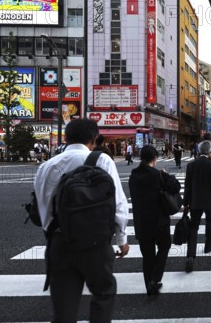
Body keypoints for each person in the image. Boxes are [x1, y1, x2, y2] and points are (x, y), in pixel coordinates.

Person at [33, 118, 130, 322]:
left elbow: (42, 207)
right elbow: (119, 203)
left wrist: (53, 235)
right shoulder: (102, 161)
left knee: (63, 310)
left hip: (59, 243)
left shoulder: (46, 167)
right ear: (94, 139)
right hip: (95, 242)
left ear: (66, 138)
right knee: (103, 293)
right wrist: (122, 238)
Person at [129, 145, 179, 297]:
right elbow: (175, 187)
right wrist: (167, 175)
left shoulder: (133, 175)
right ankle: (154, 279)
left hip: (141, 221)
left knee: (148, 255)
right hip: (159, 220)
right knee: (164, 246)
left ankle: (149, 286)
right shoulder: (157, 174)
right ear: (155, 158)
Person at [183, 140, 211, 273]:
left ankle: (190, 255)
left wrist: (185, 203)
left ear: (199, 151)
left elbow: (187, 186)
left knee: (193, 227)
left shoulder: (191, 165)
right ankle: (208, 245)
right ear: (210, 152)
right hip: (210, 201)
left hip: (195, 201)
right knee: (210, 223)